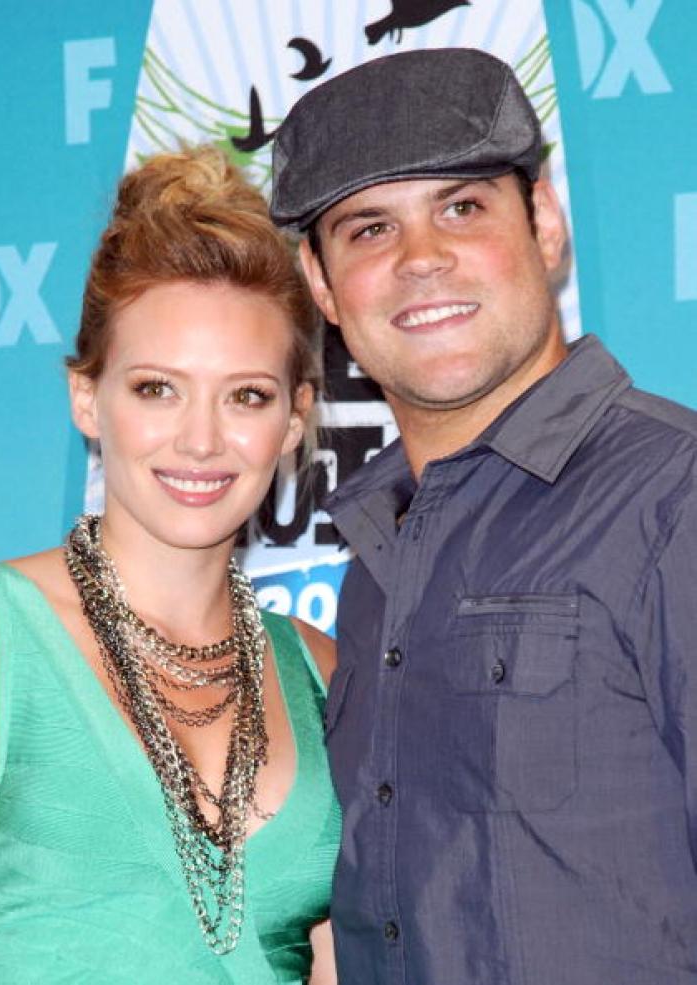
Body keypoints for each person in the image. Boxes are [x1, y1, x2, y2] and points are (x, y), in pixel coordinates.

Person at [270, 47, 697, 985]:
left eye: (462, 207)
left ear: (544, 222)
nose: (422, 258)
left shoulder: (676, 499)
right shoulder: (377, 569)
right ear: (322, 285)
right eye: (369, 228)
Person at [0, 145, 340, 984]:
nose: (201, 439)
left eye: (247, 395)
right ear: (87, 396)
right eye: (158, 387)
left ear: (295, 419)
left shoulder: (323, 671)